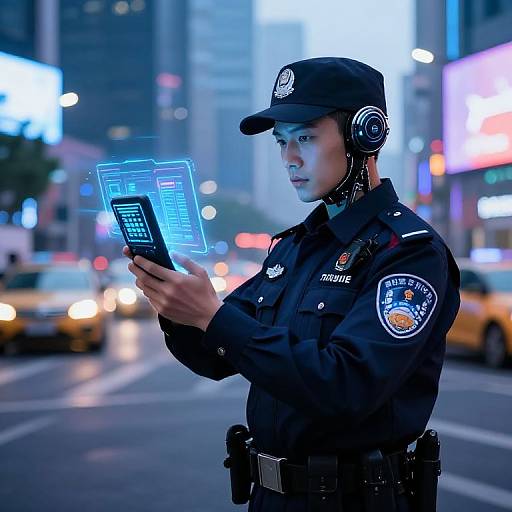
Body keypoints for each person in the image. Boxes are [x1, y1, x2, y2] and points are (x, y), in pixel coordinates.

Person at [124, 57, 460, 512]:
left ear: (366, 134)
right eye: (282, 142)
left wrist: (211, 314)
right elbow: (213, 357)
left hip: (356, 501)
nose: (290, 158)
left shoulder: (409, 253)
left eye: (305, 137)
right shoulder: (294, 248)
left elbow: (346, 387)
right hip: (269, 498)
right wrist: (175, 306)